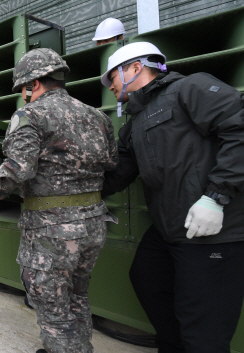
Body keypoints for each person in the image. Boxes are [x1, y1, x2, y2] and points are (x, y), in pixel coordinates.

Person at [0, 48, 118, 353]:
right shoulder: (98, 116)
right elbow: (112, 162)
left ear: (33, 83)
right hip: (94, 225)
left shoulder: (30, 115)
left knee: (53, 308)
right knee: (77, 296)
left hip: (53, 230)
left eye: (24, 89)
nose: (24, 96)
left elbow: (18, 170)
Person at [101, 41, 244, 353]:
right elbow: (117, 174)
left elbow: (239, 130)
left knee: (205, 328)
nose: (109, 85)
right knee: (147, 279)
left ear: (135, 68)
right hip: (169, 228)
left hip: (212, 231)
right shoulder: (135, 123)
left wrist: (217, 196)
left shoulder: (190, 89)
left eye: (111, 76)